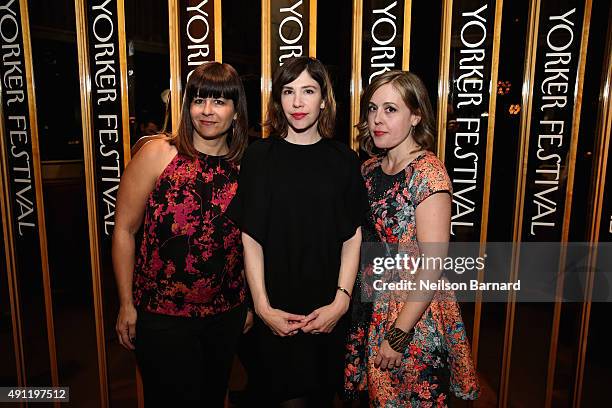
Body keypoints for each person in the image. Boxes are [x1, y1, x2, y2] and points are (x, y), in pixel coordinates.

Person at [227, 56, 368, 407]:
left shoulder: (344, 160)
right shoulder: (259, 157)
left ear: (324, 100)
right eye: (288, 91)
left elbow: (352, 236)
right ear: (278, 100)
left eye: (308, 91)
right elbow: (251, 237)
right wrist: (262, 307)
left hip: (328, 311)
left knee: (321, 397)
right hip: (275, 310)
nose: (298, 102)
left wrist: (341, 300)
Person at [112, 62, 251, 407]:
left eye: (219, 102)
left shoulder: (248, 164)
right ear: (187, 106)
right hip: (162, 316)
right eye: (199, 100)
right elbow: (125, 230)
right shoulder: (159, 153)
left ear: (236, 111)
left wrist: (248, 304)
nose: (207, 110)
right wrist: (126, 304)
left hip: (225, 315)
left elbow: (252, 243)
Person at [344, 71, 479, 406]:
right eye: (373, 109)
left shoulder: (428, 173)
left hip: (411, 313)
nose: (377, 119)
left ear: (416, 115)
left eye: (391, 109)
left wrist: (399, 333)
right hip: (370, 303)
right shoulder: (369, 169)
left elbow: (433, 264)